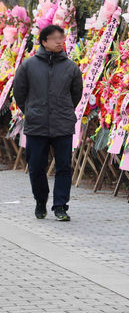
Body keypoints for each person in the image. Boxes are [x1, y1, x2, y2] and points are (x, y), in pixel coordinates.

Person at [13, 24, 83, 221]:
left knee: (64, 167)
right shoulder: (28, 66)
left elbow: (76, 93)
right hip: (37, 125)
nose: (59, 41)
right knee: (36, 166)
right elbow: (20, 93)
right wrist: (31, 111)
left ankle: (60, 206)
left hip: (62, 124)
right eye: (55, 38)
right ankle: (40, 201)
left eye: (61, 37)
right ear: (44, 41)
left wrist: (64, 109)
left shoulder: (71, 67)